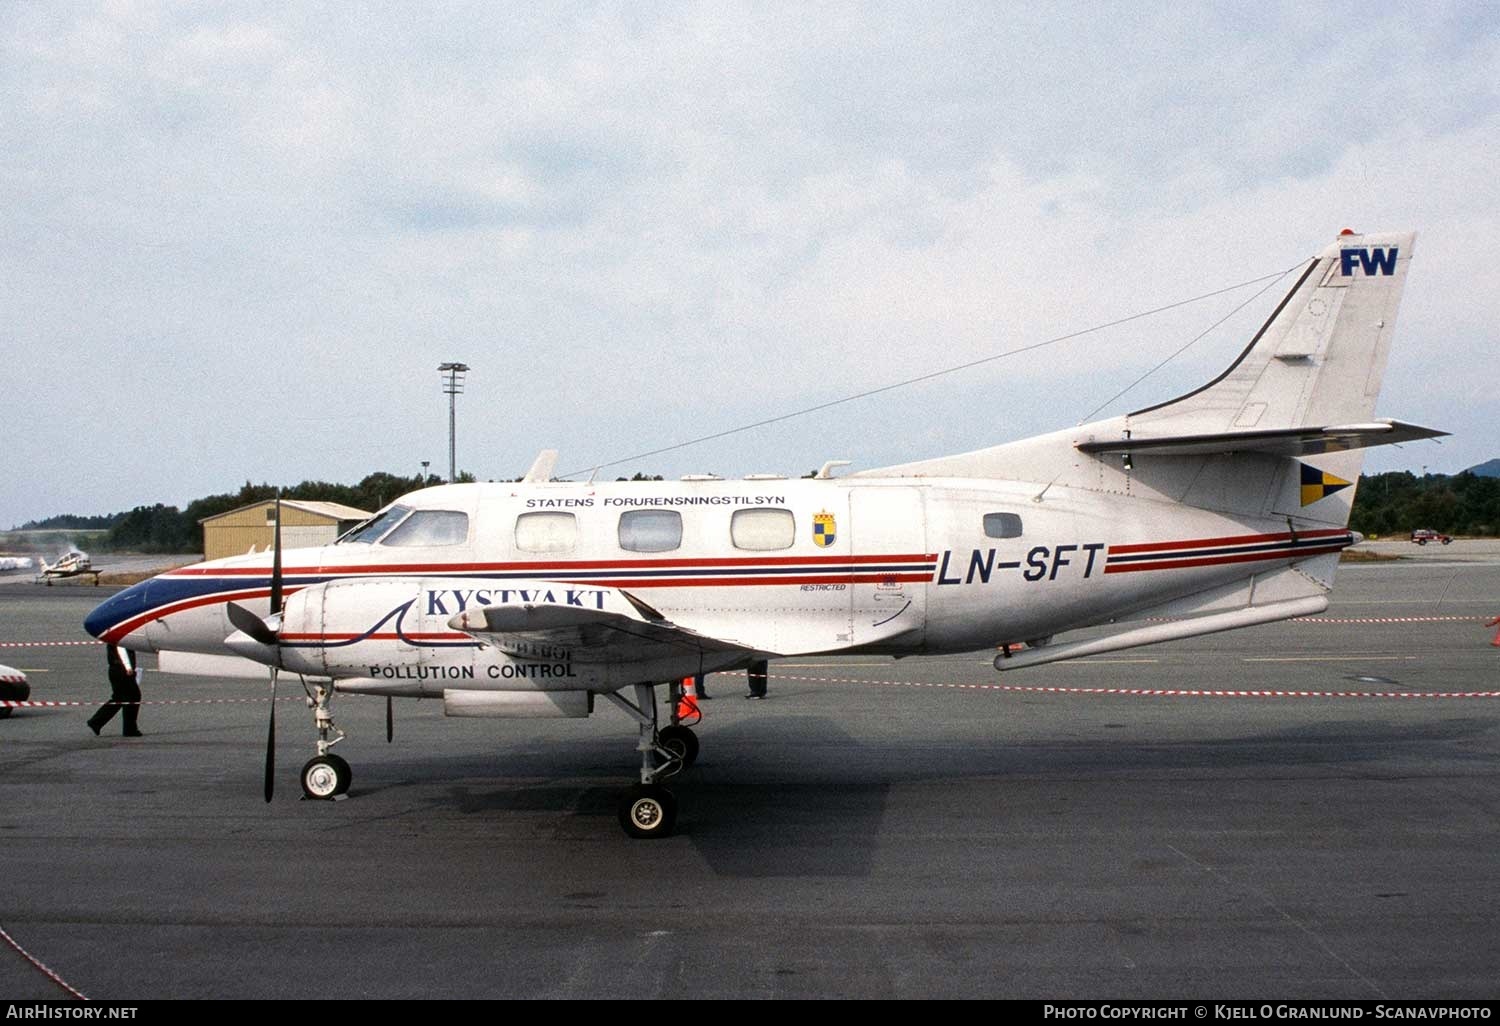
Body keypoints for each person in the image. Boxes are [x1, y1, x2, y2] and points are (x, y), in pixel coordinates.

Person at [88, 644, 142, 737]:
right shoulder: (119, 635)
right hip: (122, 670)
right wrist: (128, 666)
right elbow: (121, 648)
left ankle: (96, 721)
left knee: (119, 698)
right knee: (133, 697)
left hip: (115, 669)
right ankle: (129, 729)